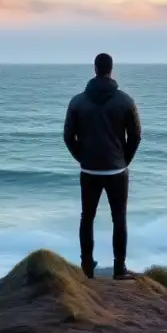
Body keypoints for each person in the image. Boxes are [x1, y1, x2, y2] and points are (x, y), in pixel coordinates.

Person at [63, 52, 142, 280]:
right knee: (119, 218)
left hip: (89, 170)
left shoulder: (77, 101)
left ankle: (87, 268)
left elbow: (68, 136)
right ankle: (119, 269)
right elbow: (136, 136)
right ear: (111, 70)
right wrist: (124, 160)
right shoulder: (125, 100)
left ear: (95, 69)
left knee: (87, 218)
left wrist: (83, 158)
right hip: (117, 170)